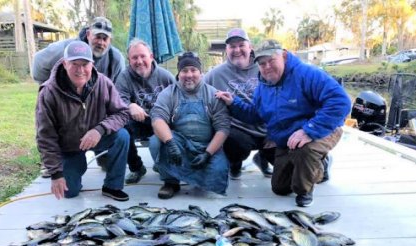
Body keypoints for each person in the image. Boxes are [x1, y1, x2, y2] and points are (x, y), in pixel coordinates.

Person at [217, 40, 351, 207]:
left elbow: (341, 101)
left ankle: (305, 191)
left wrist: (309, 130)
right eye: (262, 63)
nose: (266, 67)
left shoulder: (307, 74)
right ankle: (319, 166)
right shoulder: (263, 86)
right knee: (280, 188)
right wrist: (232, 103)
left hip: (322, 129)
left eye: (271, 60)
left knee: (305, 151)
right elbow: (256, 114)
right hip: (287, 138)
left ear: (284, 56)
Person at [35, 41, 130, 201]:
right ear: (65, 64)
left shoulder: (103, 83)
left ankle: (112, 186)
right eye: (74, 64)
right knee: (69, 192)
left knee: (122, 136)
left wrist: (99, 130)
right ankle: (75, 169)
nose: (80, 70)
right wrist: (56, 173)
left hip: (97, 138)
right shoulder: (48, 92)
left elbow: (123, 113)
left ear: (92, 64)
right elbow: (45, 137)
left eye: (85, 64)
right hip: (69, 147)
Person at [33, 17, 126, 176]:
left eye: (105, 38)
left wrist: (100, 129)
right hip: (67, 110)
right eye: (97, 37)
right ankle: (55, 161)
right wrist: (51, 87)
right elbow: (37, 64)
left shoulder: (116, 59)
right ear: (89, 34)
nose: (101, 42)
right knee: (69, 188)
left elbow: (118, 98)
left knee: (121, 131)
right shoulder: (62, 49)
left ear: (110, 40)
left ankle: (102, 154)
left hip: (97, 111)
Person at [149, 52, 231, 199]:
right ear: (179, 74)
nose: (189, 75)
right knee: (155, 142)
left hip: (207, 147)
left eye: (193, 70)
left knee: (218, 171)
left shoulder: (213, 95)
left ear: (201, 73)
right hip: (179, 144)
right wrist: (170, 143)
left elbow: (223, 129)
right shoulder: (168, 93)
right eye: (184, 70)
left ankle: (199, 178)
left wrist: (207, 154)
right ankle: (170, 182)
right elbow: (157, 119)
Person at [205, 28, 275, 180]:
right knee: (228, 137)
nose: (237, 50)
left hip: (269, 129)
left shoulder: (264, 67)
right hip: (239, 132)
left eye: (241, 45)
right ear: (226, 50)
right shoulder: (215, 74)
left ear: (250, 47)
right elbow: (195, 87)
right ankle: (234, 163)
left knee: (283, 161)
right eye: (232, 46)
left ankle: (263, 158)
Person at [116, 38, 175, 184]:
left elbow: (179, 101)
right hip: (139, 121)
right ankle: (137, 168)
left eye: (143, 56)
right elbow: (117, 100)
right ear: (129, 60)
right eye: (134, 57)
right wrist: (130, 105)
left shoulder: (165, 76)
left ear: (151, 56)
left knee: (161, 140)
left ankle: (162, 164)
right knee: (120, 128)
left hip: (162, 121)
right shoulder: (124, 77)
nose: (139, 61)